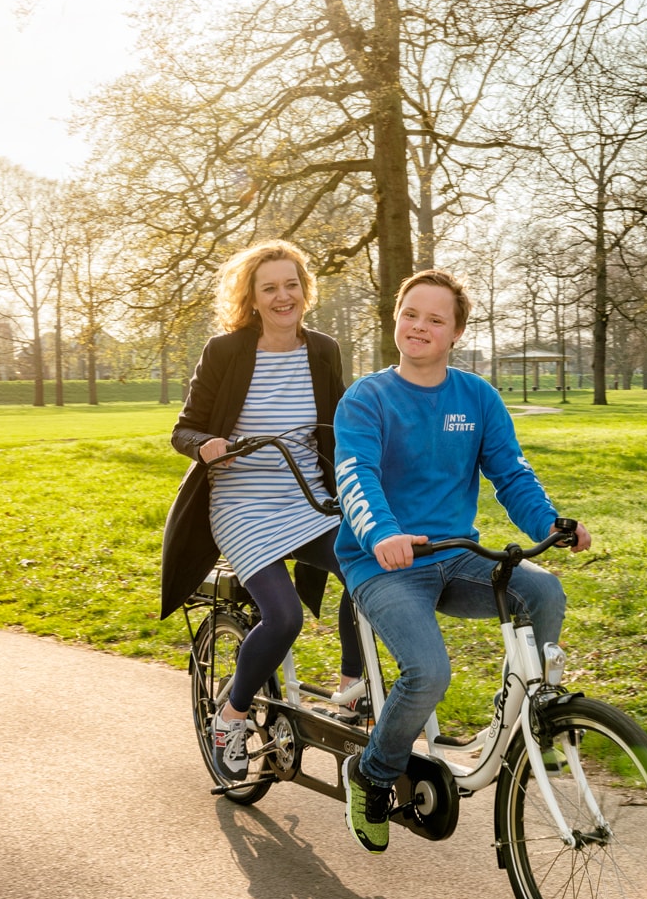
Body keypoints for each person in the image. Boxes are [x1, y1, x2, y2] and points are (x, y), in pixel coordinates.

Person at [331, 269, 591, 853]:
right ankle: (372, 775)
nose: (419, 326)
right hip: (386, 564)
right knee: (429, 674)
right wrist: (383, 534)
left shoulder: (476, 397)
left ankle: (528, 719)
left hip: (456, 555)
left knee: (543, 591)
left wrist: (550, 524)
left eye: (435, 319)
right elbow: (355, 477)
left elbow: (511, 473)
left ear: (455, 333)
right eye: (410, 314)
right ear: (396, 319)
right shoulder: (368, 398)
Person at [160, 240, 363, 779]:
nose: (282, 296)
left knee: (370, 576)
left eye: (291, 285)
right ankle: (231, 714)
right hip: (241, 502)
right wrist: (205, 445)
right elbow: (183, 428)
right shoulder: (225, 352)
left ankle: (350, 693)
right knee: (285, 616)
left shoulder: (322, 350)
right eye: (269, 287)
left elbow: (342, 425)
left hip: (307, 498)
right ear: (250, 297)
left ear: (305, 290)